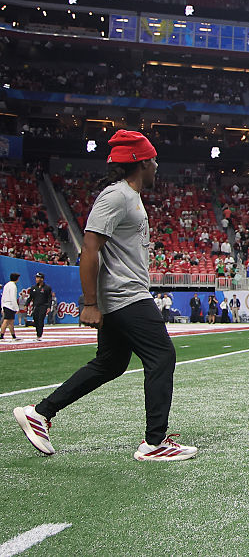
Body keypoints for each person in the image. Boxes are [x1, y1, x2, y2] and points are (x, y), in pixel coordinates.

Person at [13, 130, 196, 461]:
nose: (157, 166)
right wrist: (90, 303)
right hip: (125, 294)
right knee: (162, 356)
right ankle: (155, 443)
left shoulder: (129, 197)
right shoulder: (116, 197)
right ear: (141, 163)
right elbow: (89, 247)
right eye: (153, 160)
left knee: (110, 364)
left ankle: (40, 413)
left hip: (122, 293)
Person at [27, 272, 53, 342]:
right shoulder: (33, 288)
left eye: (38, 278)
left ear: (42, 279)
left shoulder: (47, 288)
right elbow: (30, 297)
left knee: (40, 320)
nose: (37, 279)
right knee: (36, 320)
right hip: (35, 306)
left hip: (43, 306)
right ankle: (37, 333)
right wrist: (26, 305)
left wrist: (49, 307)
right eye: (36, 278)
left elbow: (49, 298)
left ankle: (39, 335)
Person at [1, 272, 21, 341]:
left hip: (6, 304)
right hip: (10, 305)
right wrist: (16, 308)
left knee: (11, 321)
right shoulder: (13, 286)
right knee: (6, 320)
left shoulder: (7, 285)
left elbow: (3, 296)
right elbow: (13, 297)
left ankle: (13, 335)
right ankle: (1, 335)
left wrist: (2, 306)